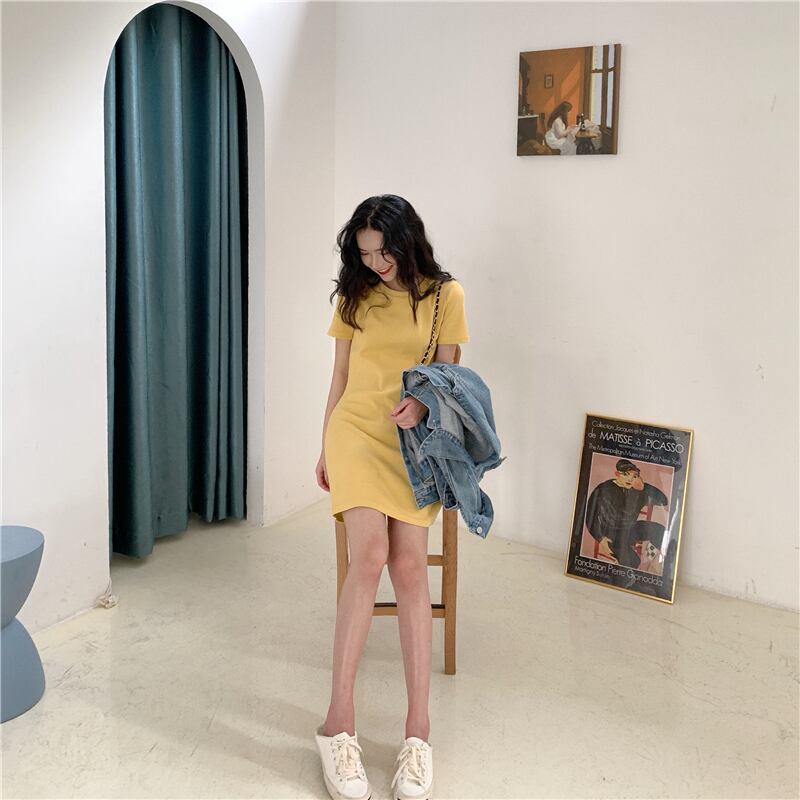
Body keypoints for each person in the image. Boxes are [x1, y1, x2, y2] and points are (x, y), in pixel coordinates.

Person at [314, 194, 470, 800]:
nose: (375, 264)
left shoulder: (446, 297)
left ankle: (417, 734)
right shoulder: (355, 296)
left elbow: (450, 383)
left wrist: (422, 407)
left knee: (409, 568)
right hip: (356, 432)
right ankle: (337, 724)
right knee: (371, 555)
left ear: (408, 242)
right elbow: (340, 375)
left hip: (412, 444)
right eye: (364, 254)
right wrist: (325, 445)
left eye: (384, 252)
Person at [584, 459, 669, 568]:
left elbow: (663, 500)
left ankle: (647, 561)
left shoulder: (639, 489)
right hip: (611, 534)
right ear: (617, 474)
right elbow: (590, 516)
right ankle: (623, 564)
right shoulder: (603, 489)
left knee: (660, 531)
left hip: (631, 529)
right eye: (625, 474)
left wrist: (645, 487)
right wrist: (601, 539)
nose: (630, 479)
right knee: (633, 561)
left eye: (634, 476)